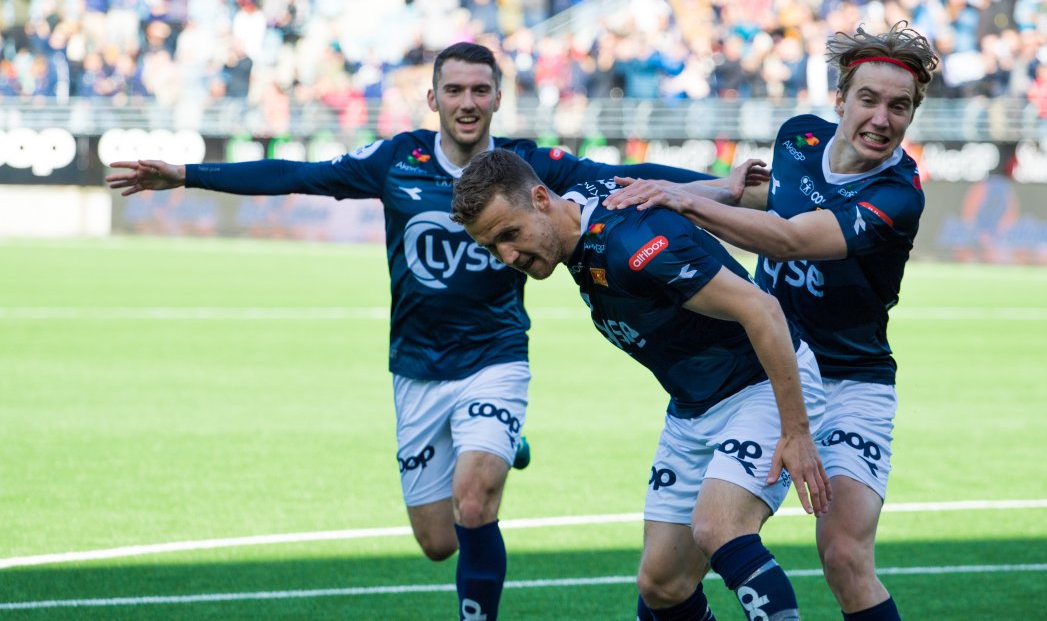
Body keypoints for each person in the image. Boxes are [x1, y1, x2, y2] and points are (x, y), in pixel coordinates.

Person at [106, 42, 711, 621]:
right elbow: (298, 173)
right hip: (416, 367)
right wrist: (187, 174)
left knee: (475, 498)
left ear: (499, 98)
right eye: (454, 90)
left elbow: (626, 173)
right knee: (438, 540)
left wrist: (708, 187)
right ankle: (505, 445)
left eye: (480, 89)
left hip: (496, 357)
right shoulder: (397, 160)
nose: (467, 101)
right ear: (433, 99)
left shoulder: (530, 166)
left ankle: (491, 455)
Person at [602, 22, 940, 621]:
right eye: (868, 99)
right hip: (761, 373)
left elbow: (787, 239)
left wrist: (686, 201)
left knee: (843, 555)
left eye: (899, 107)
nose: (882, 118)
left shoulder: (898, 194)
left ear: (912, 115)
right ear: (840, 98)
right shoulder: (797, 138)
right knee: (665, 578)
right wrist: (688, 190)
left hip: (850, 381)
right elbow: (769, 199)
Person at [450, 148, 831, 621]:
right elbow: (650, 192)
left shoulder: (634, 248)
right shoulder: (585, 207)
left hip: (761, 384)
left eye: (510, 234)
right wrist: (723, 189)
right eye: (491, 247)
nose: (507, 256)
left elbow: (763, 310)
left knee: (719, 528)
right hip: (694, 405)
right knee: (662, 584)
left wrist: (796, 432)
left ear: (541, 198)